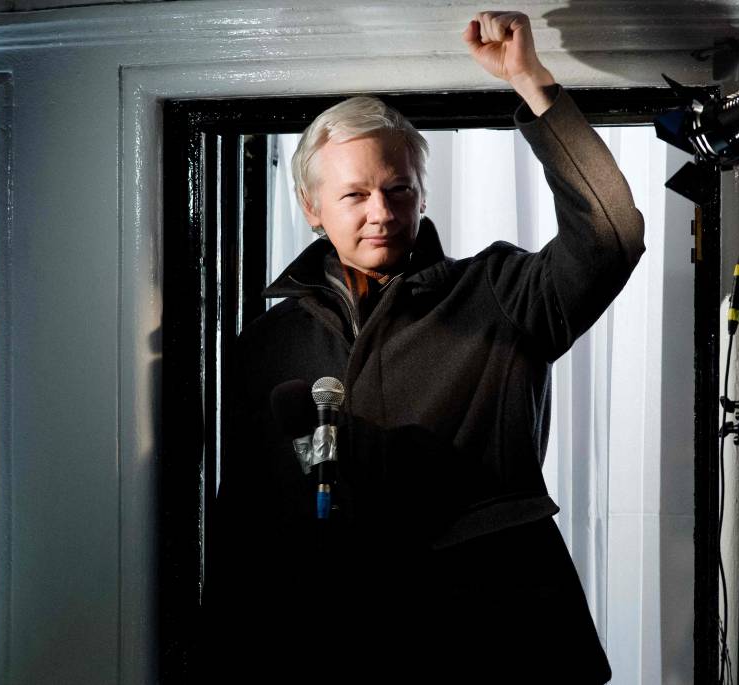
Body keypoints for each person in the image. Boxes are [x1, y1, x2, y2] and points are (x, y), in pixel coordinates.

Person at [206, 11, 643, 684]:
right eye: (354, 193)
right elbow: (244, 529)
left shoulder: (499, 293)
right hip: (330, 648)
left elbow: (611, 237)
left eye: (398, 188)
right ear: (311, 206)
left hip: (500, 640)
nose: (380, 210)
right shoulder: (264, 344)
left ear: (419, 193)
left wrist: (532, 85)